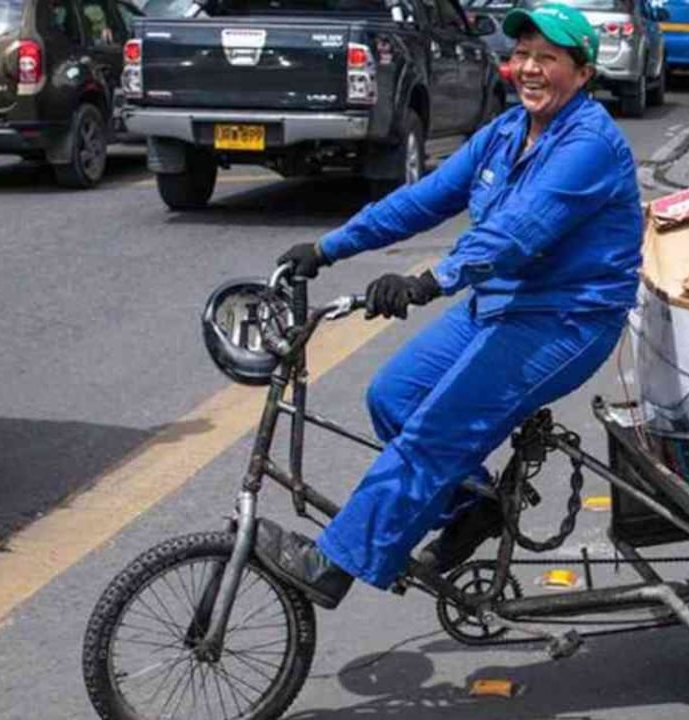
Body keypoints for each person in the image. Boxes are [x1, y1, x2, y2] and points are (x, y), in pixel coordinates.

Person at [256, 2, 643, 610]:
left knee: (436, 434)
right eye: (522, 56)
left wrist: (429, 280)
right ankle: (474, 507)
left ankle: (335, 562)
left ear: (583, 73)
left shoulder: (589, 144)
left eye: (549, 58)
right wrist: (328, 248)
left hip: (565, 319)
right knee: (395, 397)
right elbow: (423, 200)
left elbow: (516, 231)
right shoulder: (506, 132)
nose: (531, 69)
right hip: (497, 304)